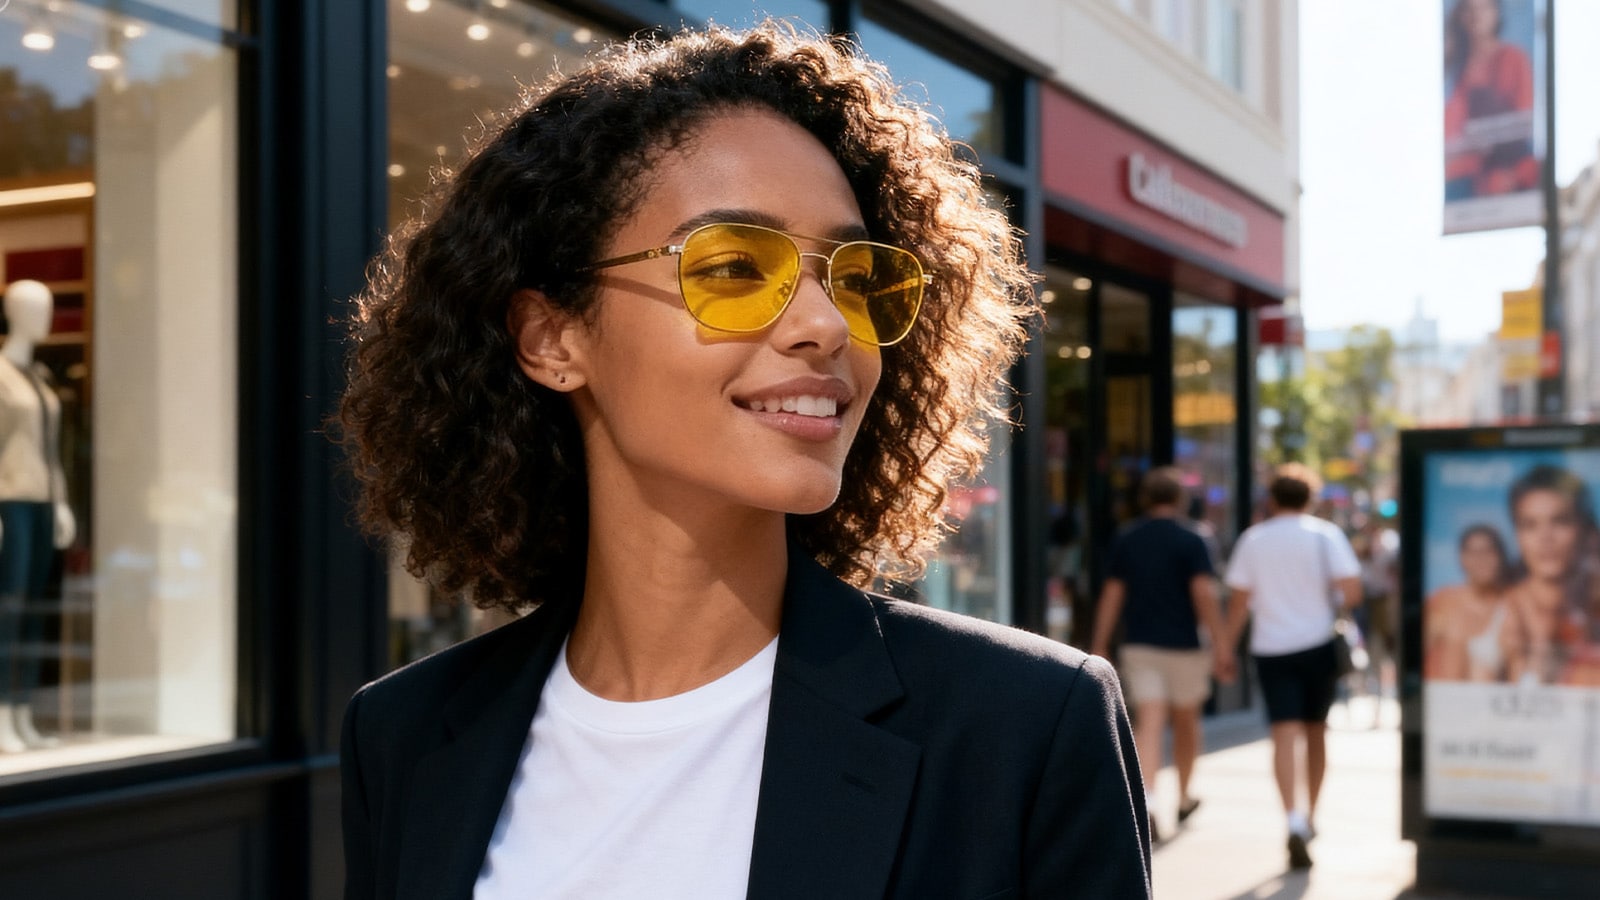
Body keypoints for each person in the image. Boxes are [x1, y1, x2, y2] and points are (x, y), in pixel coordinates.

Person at [334, 22, 1151, 900]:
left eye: (853, 275)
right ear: (552, 337)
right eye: (732, 267)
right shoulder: (406, 736)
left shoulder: (1021, 726)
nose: (829, 324)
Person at [1222, 463, 1361, 871]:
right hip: (1318, 646)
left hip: (1271, 648)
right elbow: (1352, 590)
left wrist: (1226, 649)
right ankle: (1311, 817)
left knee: (1283, 735)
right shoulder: (1326, 536)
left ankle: (1292, 819)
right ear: (1311, 498)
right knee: (1317, 734)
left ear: (1272, 499)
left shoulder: (1254, 539)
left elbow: (1238, 602)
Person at [1090, 467, 1233, 842]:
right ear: (1180, 499)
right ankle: (1184, 796)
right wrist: (1221, 645)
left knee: (1149, 722)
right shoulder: (1194, 538)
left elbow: (1112, 594)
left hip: (1139, 644)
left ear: (1145, 499)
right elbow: (1204, 595)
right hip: (1185, 645)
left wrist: (1100, 642)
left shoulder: (1128, 538)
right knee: (1187, 721)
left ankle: (1148, 800)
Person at [0, 279, 76, 754]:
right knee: (8, 609)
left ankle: (22, 710)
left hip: (43, 502)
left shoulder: (41, 377)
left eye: (47, 307)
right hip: (11, 501)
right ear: (11, 311)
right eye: (34, 307)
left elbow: (51, 451)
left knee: (34, 612)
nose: (43, 316)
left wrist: (62, 501)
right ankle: (1, 712)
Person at [1500, 464, 1600, 686]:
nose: (1545, 537)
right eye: (1530, 525)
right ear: (1517, 535)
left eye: (1560, 521)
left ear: (1584, 528)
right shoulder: (1497, 611)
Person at [1443, 0, 1538, 201]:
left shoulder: (1512, 58)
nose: (1476, 16)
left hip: (1508, 165)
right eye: (1469, 10)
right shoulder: (1456, 70)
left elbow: (1524, 119)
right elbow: (1451, 132)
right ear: (1461, 17)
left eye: (1483, 8)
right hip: (1467, 174)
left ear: (1496, 13)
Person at [1423, 524, 1513, 682]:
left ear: (1500, 556)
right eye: (1474, 553)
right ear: (1462, 558)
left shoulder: (1511, 607)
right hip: (1443, 699)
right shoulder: (1443, 602)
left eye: (1489, 551)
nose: (1482, 560)